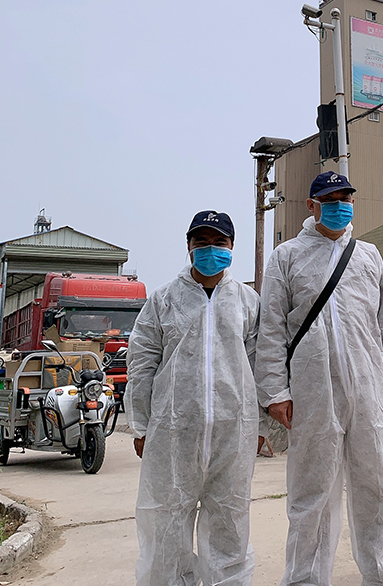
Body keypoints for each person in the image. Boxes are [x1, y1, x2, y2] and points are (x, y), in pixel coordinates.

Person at [255, 171, 383, 586]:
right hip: (312, 391)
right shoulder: (286, 256)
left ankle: (381, 576)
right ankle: (305, 579)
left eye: (346, 198)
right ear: (311, 205)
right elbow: (270, 330)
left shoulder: (368, 255)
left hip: (368, 388)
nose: (340, 205)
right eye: (330, 198)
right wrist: (275, 391)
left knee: (376, 488)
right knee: (312, 495)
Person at [125, 210, 261, 586]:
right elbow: (142, 362)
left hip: (233, 432)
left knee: (229, 522)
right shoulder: (164, 300)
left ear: (232, 247)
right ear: (188, 246)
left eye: (219, 242)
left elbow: (258, 365)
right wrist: (139, 424)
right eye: (201, 242)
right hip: (173, 431)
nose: (210, 249)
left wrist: (259, 424)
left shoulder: (247, 301)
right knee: (166, 521)